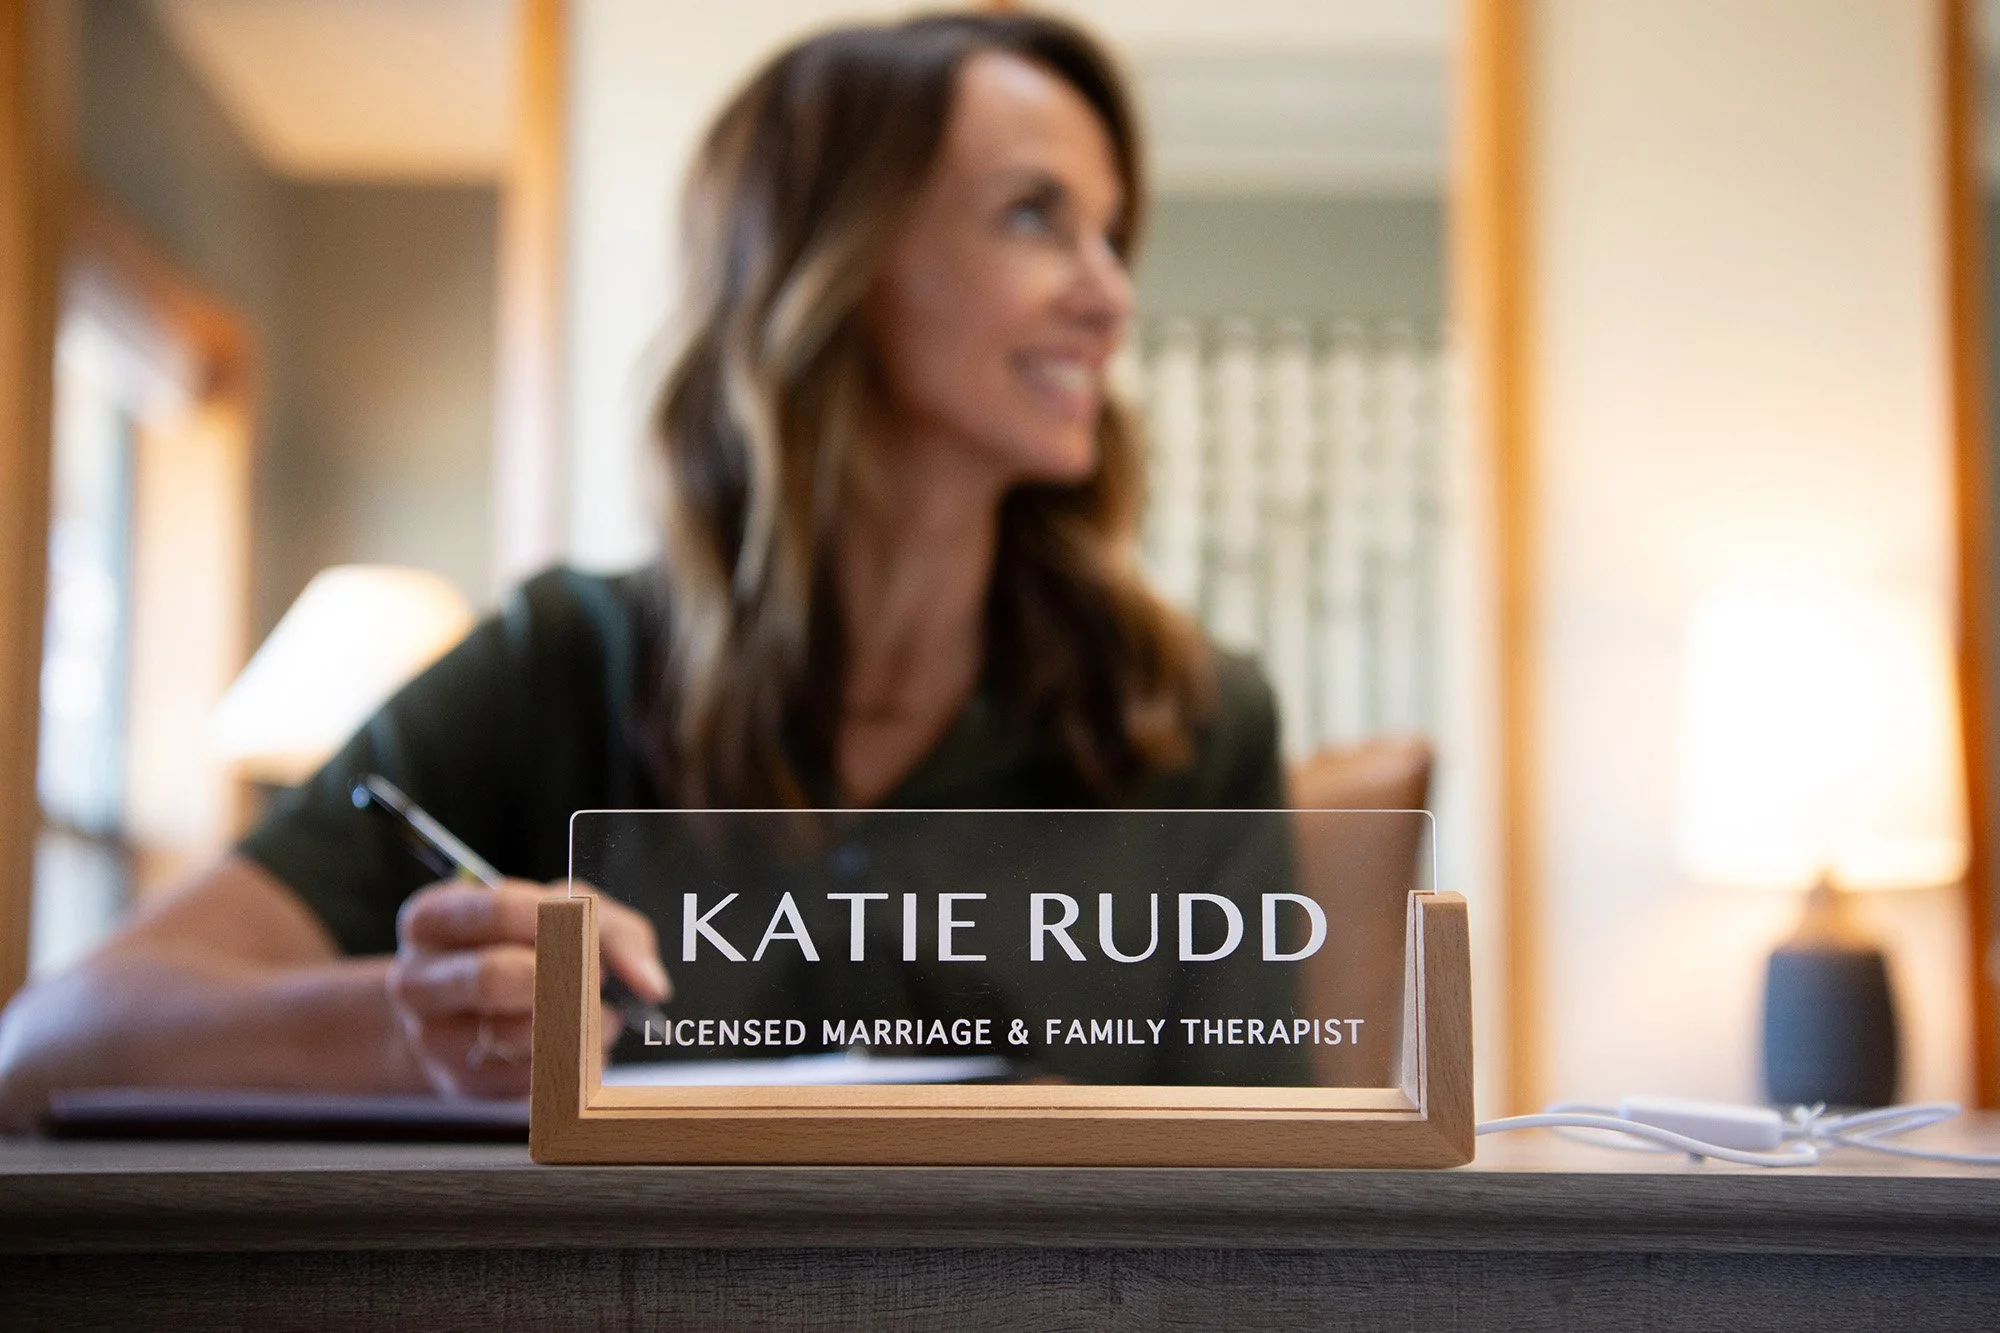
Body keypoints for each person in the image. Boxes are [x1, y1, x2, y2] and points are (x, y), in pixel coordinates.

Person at [0, 11, 1285, 1130]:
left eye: (1112, 235)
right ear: (822, 267)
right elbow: (44, 1044)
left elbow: (1273, 1206)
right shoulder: (562, 663)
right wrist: (414, 1032)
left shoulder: (1194, 719)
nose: (1110, 297)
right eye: (1032, 217)